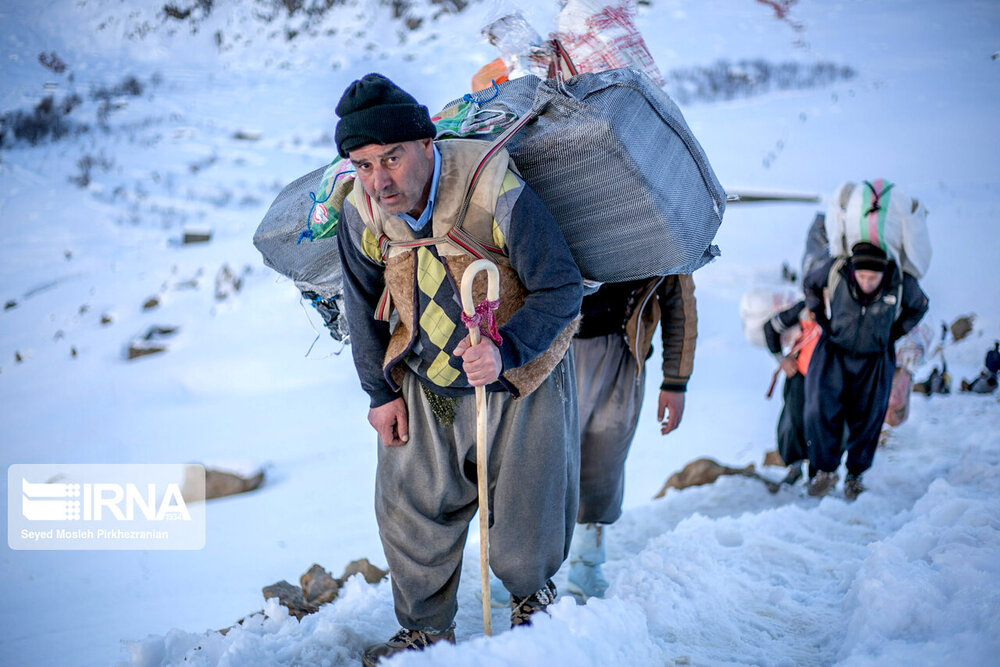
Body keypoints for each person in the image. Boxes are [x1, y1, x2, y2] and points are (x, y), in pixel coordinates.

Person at [333, 74, 584, 665]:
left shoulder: (493, 188)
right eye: (363, 165)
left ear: (426, 143)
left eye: (391, 158)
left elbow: (560, 285)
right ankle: (426, 629)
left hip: (520, 370)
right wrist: (378, 392)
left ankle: (531, 600)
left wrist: (508, 351)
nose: (379, 180)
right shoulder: (360, 212)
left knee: (526, 507)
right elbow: (360, 307)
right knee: (408, 502)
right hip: (424, 373)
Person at [566, 276, 696, 599]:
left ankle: (586, 562)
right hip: (552, 341)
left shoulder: (661, 225)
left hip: (621, 349)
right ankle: (516, 572)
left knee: (603, 462)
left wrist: (676, 380)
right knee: (535, 460)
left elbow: (678, 296)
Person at [803, 242, 928, 500]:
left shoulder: (899, 280)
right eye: (862, 277)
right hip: (834, 351)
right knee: (818, 409)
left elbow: (920, 306)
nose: (867, 283)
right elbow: (810, 283)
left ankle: (855, 476)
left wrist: (895, 332)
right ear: (853, 271)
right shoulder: (837, 269)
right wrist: (819, 315)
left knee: (869, 415)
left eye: (873, 278)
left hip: (875, 358)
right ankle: (825, 471)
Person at [762, 300, 820, 487]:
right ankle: (795, 467)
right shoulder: (805, 308)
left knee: (823, 425)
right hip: (800, 374)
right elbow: (770, 327)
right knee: (793, 422)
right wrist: (782, 359)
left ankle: (819, 472)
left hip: (829, 379)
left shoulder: (846, 306)